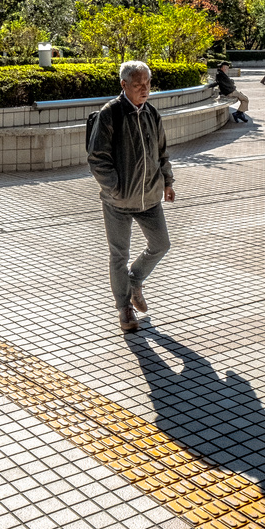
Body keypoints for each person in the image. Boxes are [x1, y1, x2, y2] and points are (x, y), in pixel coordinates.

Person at [87, 60, 175, 333]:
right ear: (123, 85)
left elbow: (162, 152)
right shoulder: (110, 114)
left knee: (161, 244)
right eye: (138, 85)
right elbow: (97, 157)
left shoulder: (151, 113)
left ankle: (135, 280)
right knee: (118, 255)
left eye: (147, 84)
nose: (144, 89)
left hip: (149, 197)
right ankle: (124, 308)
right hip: (118, 201)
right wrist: (114, 187)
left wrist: (167, 181)